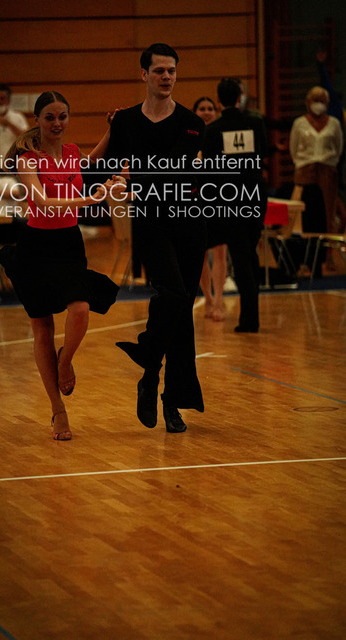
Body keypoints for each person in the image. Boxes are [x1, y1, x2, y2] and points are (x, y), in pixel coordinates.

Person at [0, 91, 125, 441]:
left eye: (63, 117)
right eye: (50, 117)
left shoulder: (70, 153)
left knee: (80, 308)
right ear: (37, 120)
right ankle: (58, 409)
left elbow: (90, 163)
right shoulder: (28, 159)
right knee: (42, 328)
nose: (57, 123)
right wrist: (89, 199)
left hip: (69, 244)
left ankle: (65, 359)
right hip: (36, 248)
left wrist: (112, 130)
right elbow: (41, 201)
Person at [105, 43, 207, 433]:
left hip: (189, 224)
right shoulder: (126, 121)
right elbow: (107, 168)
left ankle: (166, 396)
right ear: (144, 74)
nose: (166, 77)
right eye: (159, 70)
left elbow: (173, 170)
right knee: (174, 295)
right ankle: (150, 370)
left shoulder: (192, 123)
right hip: (151, 222)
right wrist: (113, 137)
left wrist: (134, 176)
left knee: (180, 311)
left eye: (172, 71)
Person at [202, 77, 268, 333]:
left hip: (230, 199)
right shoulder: (255, 123)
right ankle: (251, 315)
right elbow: (261, 155)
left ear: (218, 100)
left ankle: (250, 319)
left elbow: (209, 171)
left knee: (241, 257)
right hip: (255, 195)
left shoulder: (213, 130)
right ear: (240, 97)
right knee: (249, 253)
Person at [290, 85, 344, 244]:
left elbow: (338, 147)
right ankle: (306, 248)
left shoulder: (334, 123)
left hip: (327, 170)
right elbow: (293, 148)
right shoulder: (299, 123)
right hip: (305, 170)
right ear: (308, 102)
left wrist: (329, 164)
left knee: (328, 211)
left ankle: (327, 250)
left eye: (322, 101)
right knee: (306, 212)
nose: (318, 104)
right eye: (316, 100)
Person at [193, 96, 227, 321]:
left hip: (219, 198)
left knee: (221, 250)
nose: (206, 112)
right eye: (202, 109)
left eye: (210, 108)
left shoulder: (222, 135)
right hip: (196, 200)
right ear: (195, 112)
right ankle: (208, 297)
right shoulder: (190, 137)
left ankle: (219, 299)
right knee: (201, 253)